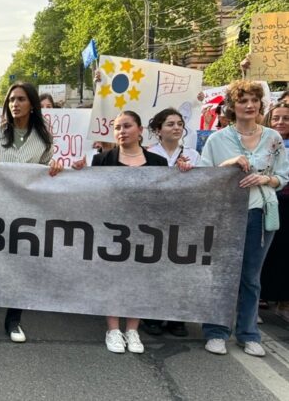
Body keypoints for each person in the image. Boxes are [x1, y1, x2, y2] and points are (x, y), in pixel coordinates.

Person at [197, 81, 288, 357]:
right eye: (243, 100)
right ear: (232, 106)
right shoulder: (218, 139)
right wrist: (227, 164)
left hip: (260, 213)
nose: (249, 105)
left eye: (254, 100)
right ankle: (216, 332)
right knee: (222, 274)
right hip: (226, 214)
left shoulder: (273, 138)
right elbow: (204, 175)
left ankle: (248, 333)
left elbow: (283, 176)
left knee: (251, 276)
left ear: (261, 104)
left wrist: (267, 178)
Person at [0, 82, 62, 349]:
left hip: (26, 213)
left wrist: (54, 167)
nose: (14, 104)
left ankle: (13, 321)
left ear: (31, 104)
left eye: (20, 99)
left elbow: (45, 174)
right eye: (11, 99)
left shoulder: (44, 138)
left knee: (19, 267)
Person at [73, 111, 168, 354]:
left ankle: (133, 330)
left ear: (140, 131)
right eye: (117, 128)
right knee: (113, 280)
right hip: (111, 230)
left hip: (145, 232)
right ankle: (113, 329)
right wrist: (79, 171)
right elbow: (93, 193)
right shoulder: (102, 160)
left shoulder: (158, 163)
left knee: (138, 280)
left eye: (127, 126)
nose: (121, 131)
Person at [140, 108, 199, 336]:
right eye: (170, 124)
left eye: (179, 123)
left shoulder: (193, 155)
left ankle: (177, 317)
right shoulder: (147, 154)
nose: (176, 128)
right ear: (158, 130)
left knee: (179, 270)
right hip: (154, 219)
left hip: (184, 219)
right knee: (154, 269)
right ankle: (152, 315)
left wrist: (190, 173)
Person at [260, 101, 289, 323]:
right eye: (276, 118)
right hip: (267, 202)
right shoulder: (262, 142)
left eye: (285, 118)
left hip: (286, 204)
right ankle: (258, 298)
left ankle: (283, 302)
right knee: (263, 252)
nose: (280, 122)